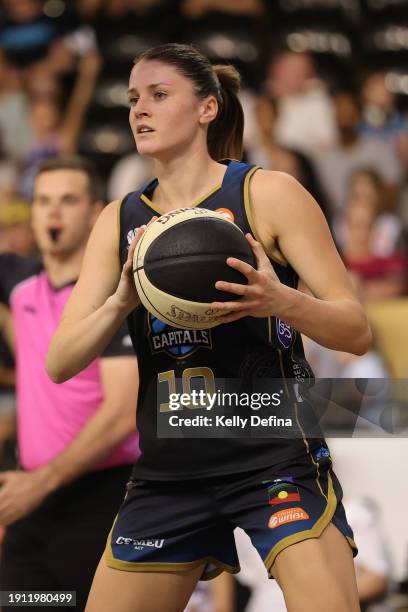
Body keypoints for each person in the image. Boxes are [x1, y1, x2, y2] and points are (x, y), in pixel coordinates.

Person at [47, 44, 372, 612]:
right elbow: (60, 362)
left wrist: (279, 299)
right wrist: (119, 303)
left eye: (158, 95)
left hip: (273, 456)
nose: (138, 110)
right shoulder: (118, 219)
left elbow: (355, 331)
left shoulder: (268, 194)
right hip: (171, 470)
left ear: (207, 109)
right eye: (131, 99)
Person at [0, 156, 139, 611]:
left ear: (97, 213)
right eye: (42, 202)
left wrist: (42, 482)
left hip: (101, 500)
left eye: (67, 201)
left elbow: (121, 414)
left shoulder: (116, 297)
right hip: (33, 503)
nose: (53, 213)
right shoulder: (20, 284)